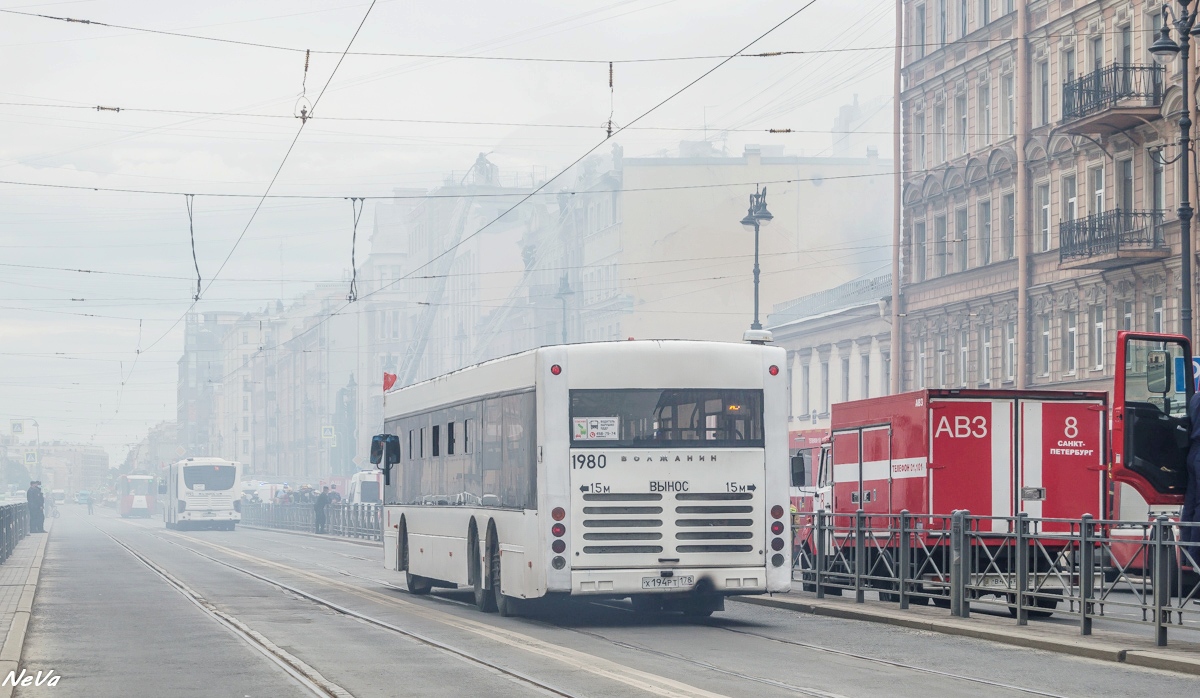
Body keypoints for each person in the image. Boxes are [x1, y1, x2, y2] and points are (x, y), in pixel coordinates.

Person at [1183, 390, 1200, 566]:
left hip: (1194, 451)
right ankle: (1196, 556)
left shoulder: (1195, 398)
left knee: (1190, 504)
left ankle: (1186, 554)